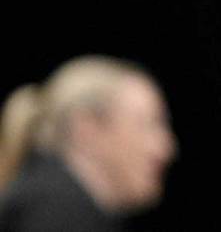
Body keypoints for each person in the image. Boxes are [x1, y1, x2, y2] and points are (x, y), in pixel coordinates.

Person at [0, 55, 177, 232]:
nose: (167, 148)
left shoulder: (55, 206)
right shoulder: (57, 214)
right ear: (87, 129)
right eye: (149, 125)